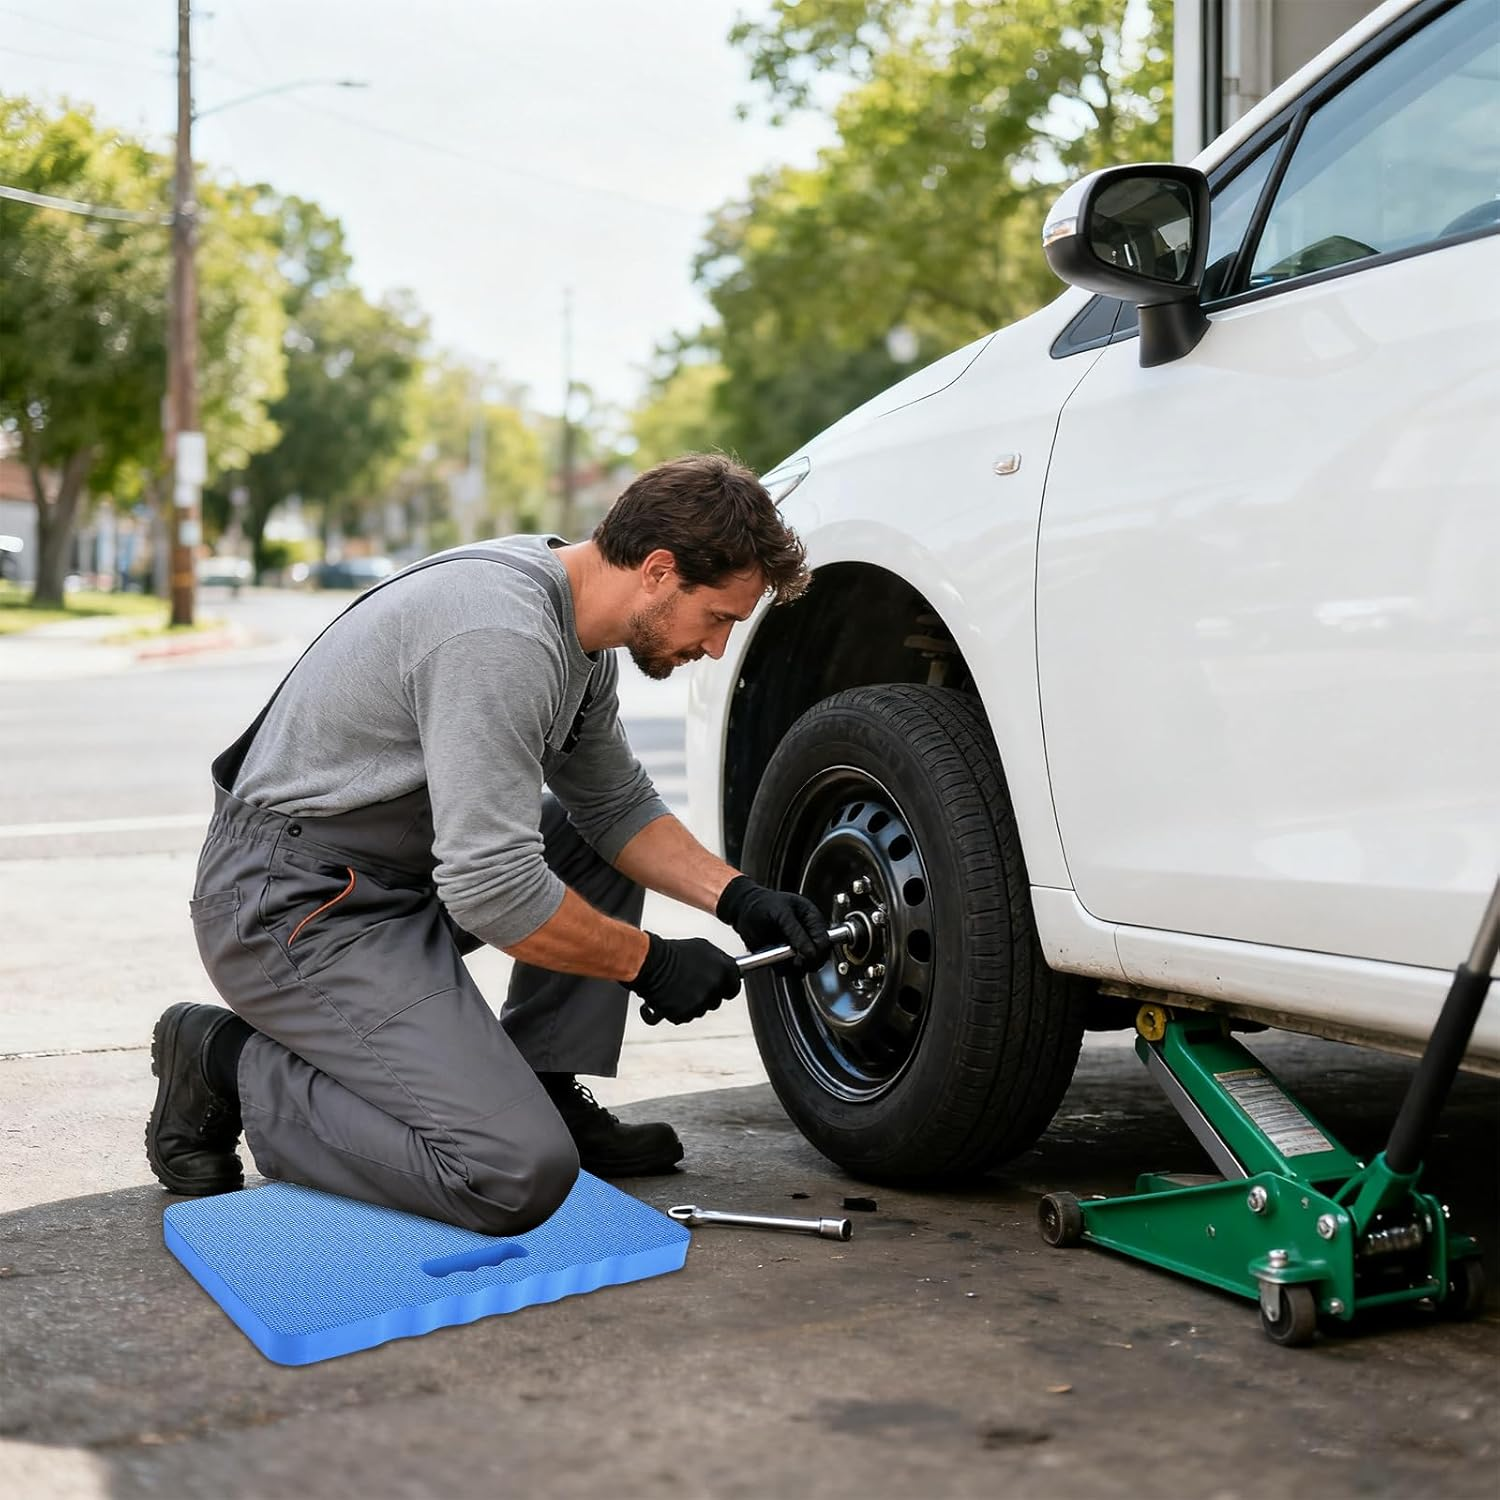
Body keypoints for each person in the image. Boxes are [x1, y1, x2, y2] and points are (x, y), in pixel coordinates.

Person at [145, 455, 831, 1236]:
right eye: (718, 618)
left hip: (391, 877)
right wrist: (652, 962)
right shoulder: (500, 632)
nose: (715, 648)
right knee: (509, 1173)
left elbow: (613, 805)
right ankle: (227, 1062)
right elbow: (494, 891)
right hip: (291, 903)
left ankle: (539, 1082)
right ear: (659, 571)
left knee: (577, 833)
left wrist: (737, 898)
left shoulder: (578, 629)